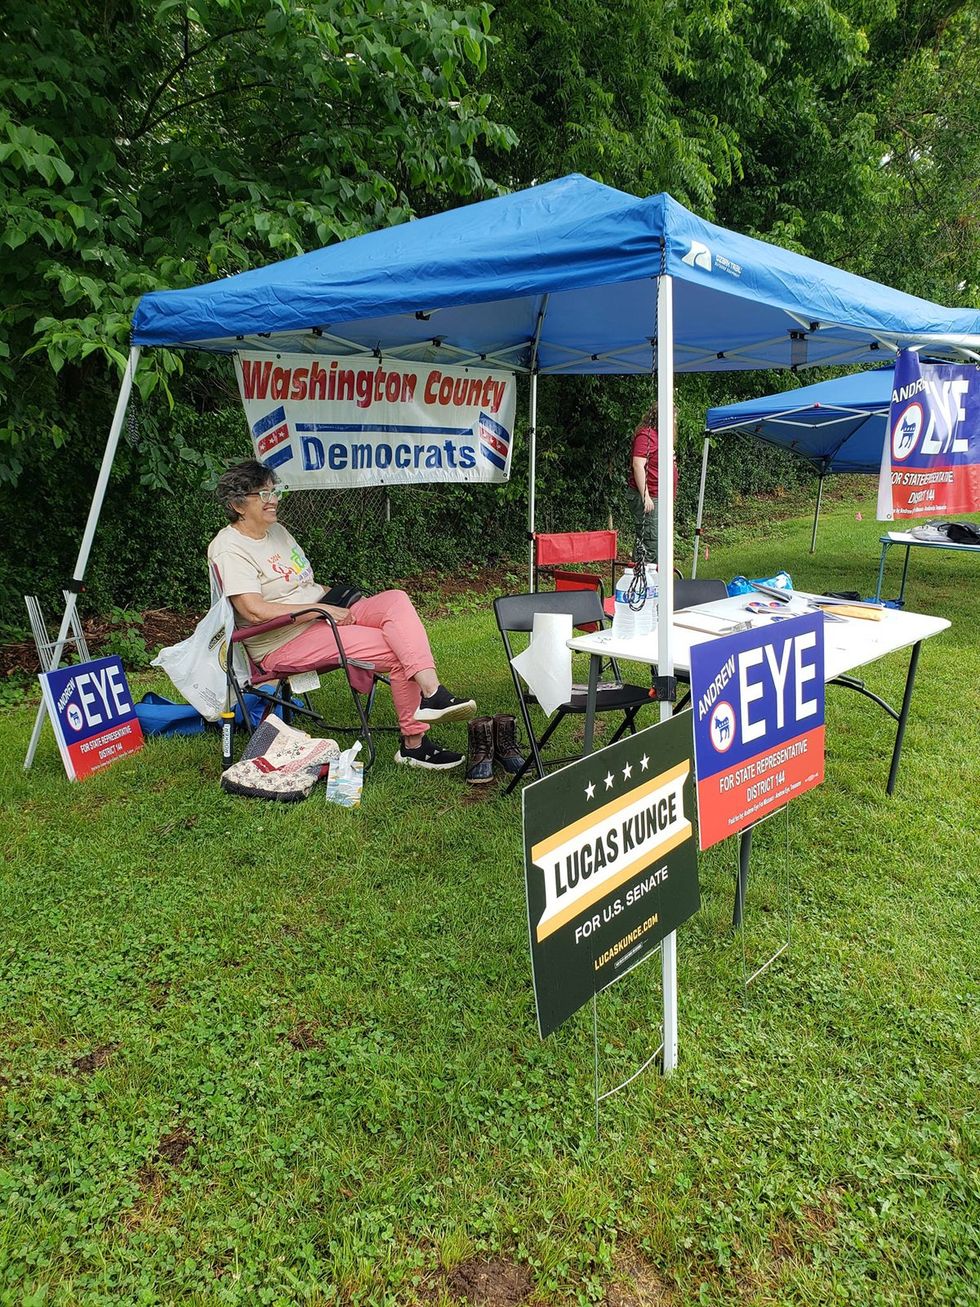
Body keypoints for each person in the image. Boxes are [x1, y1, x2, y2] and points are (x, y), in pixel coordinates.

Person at [207, 459, 476, 771]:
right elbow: (253, 611)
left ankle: (433, 694)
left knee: (396, 601)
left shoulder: (277, 532)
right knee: (400, 650)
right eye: (264, 494)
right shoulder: (229, 548)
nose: (274, 499)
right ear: (239, 504)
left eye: (275, 491)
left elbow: (301, 584)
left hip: (320, 614)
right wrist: (319, 609)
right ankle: (414, 744)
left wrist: (333, 601)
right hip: (283, 639)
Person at [628, 402, 679, 560]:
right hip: (650, 497)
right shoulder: (647, 435)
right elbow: (638, 464)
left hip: (659, 496)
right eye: (673, 418)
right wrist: (646, 496)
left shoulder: (660, 437)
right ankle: (642, 582)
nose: (675, 422)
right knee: (651, 544)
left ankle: (654, 582)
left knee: (658, 543)